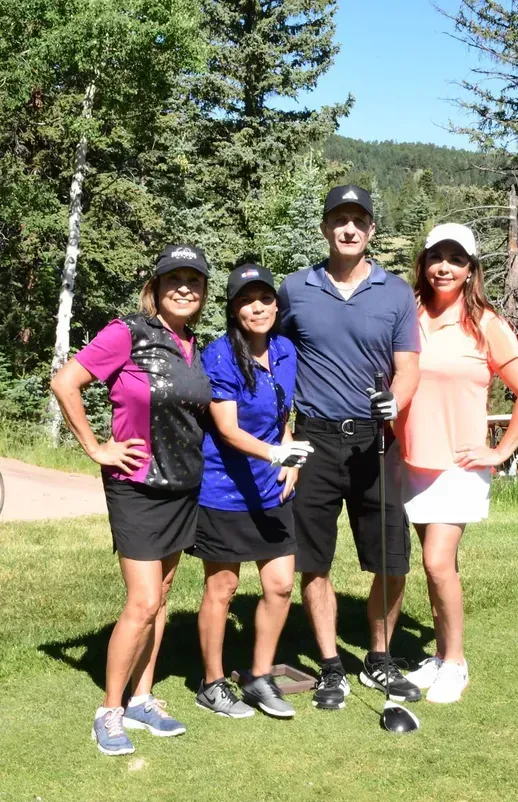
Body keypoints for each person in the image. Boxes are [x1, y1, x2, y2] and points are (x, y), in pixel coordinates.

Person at [51, 244, 212, 755]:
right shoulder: (128, 332)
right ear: (157, 287)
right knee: (142, 601)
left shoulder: (192, 344)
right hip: (136, 485)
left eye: (194, 280)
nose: (184, 287)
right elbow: (66, 381)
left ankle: (143, 699)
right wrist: (96, 446)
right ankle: (110, 710)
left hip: (183, 487)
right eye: (174, 279)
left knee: (160, 598)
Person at [278, 185, 422, 711]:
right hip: (314, 438)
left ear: (371, 231)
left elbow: (408, 367)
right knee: (314, 559)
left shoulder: (396, 292)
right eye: (339, 219)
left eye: (358, 220)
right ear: (325, 228)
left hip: (374, 440)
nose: (349, 229)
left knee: (391, 557)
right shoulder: (295, 289)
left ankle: (379, 657)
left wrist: (395, 400)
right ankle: (331, 666)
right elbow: (272, 355)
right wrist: (281, 428)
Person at [396, 223, 518, 704]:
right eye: (437, 256)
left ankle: (456, 663)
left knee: (438, 563)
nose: (444, 267)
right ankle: (439, 656)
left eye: (456, 259)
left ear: (470, 270)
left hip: (459, 463)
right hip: (410, 460)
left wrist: (501, 451)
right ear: (424, 262)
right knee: (437, 566)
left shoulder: (486, 323)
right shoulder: (408, 316)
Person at [190, 264, 313, 720]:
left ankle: (260, 678)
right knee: (222, 588)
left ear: (276, 305)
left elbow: (285, 415)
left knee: (280, 586)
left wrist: (290, 461)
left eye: (264, 298)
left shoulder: (284, 350)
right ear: (233, 309)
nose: (257, 307)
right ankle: (212, 682)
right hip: (224, 491)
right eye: (246, 300)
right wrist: (276, 455)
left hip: (273, 490)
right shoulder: (219, 355)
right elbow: (227, 430)